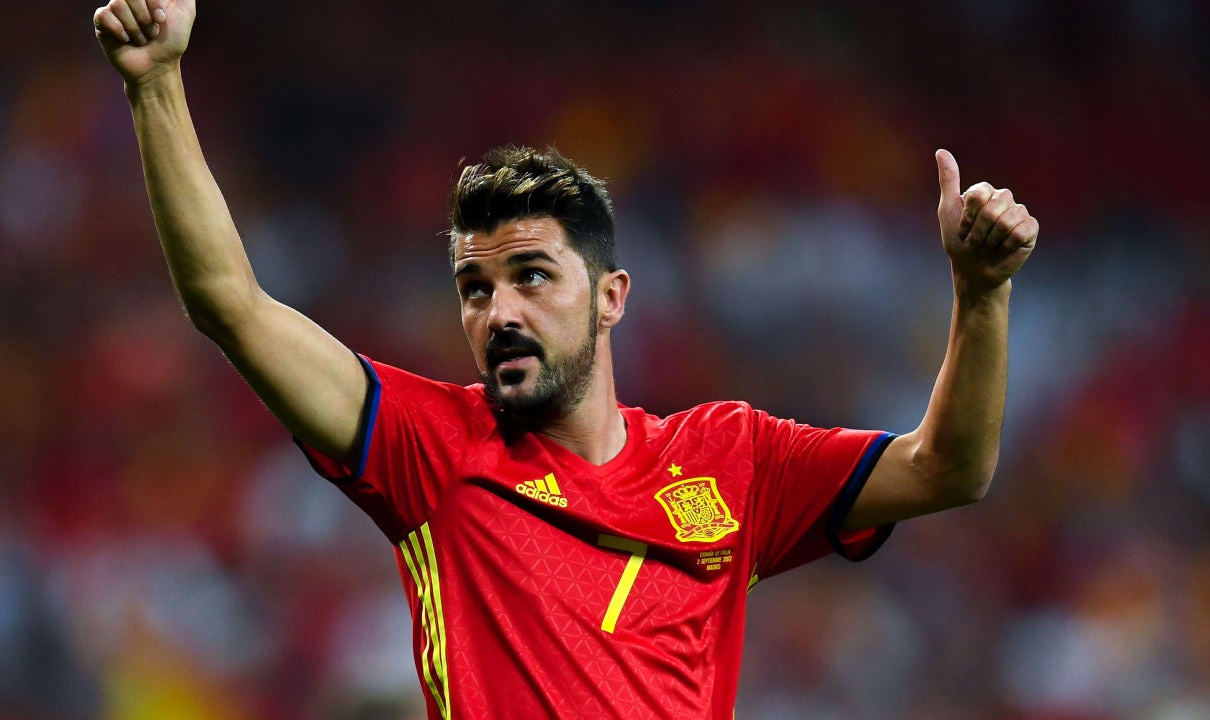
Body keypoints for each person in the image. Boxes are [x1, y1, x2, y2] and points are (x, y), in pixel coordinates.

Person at [92, 1, 1040, 717]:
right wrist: (155, 84)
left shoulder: (733, 460)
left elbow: (948, 470)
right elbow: (230, 305)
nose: (499, 311)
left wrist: (982, 294)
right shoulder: (430, 449)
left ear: (611, 296)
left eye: (532, 277)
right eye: (474, 288)